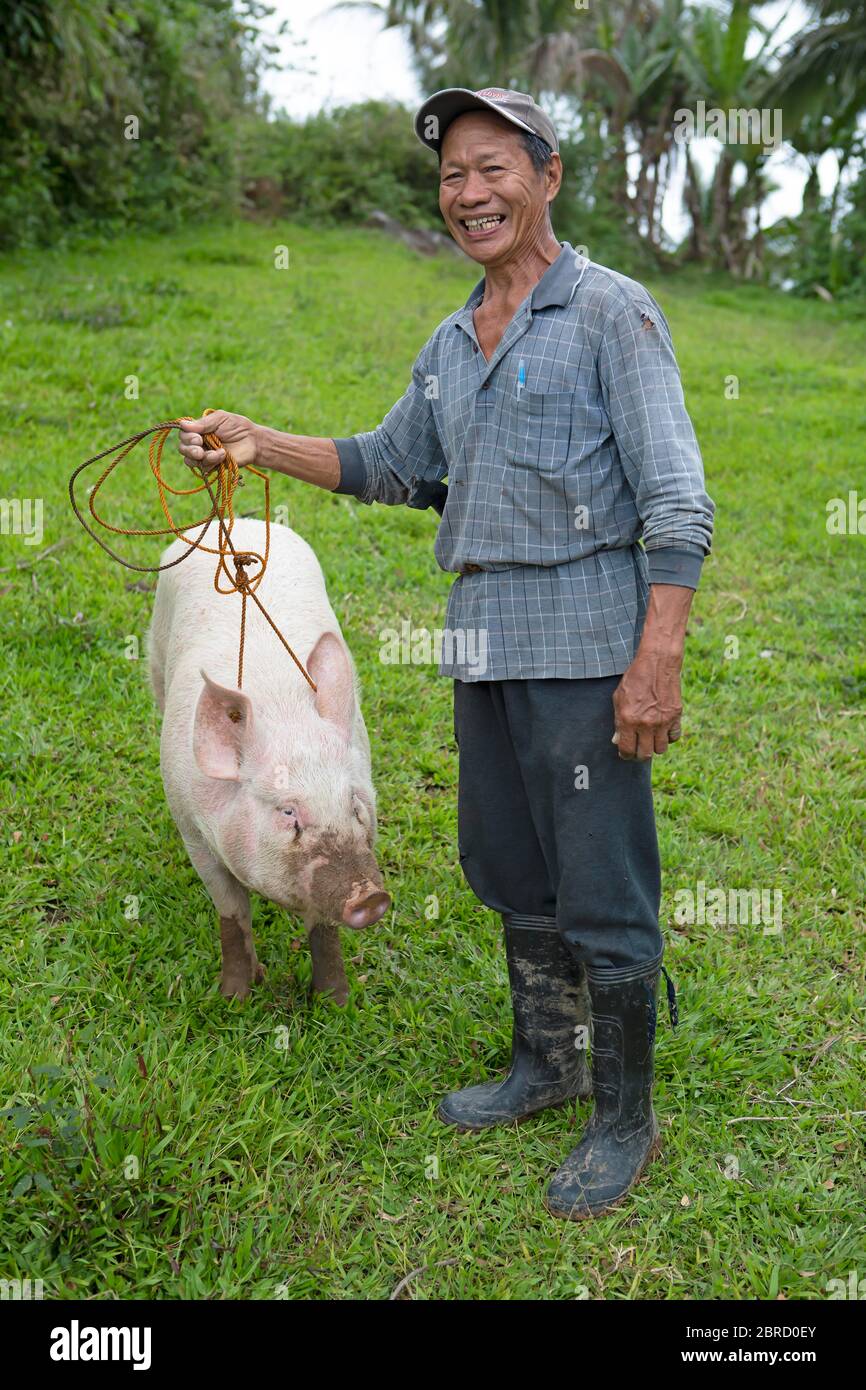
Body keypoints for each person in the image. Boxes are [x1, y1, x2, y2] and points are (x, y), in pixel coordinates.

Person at [178, 86, 714, 1220]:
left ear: (547, 176)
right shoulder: (448, 341)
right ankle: (544, 1063)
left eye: (492, 169)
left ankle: (623, 1117)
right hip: (482, 647)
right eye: (450, 176)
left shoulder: (612, 314)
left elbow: (675, 499)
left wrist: (654, 652)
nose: (468, 194)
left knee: (600, 880)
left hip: (584, 643)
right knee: (509, 867)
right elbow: (387, 462)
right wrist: (253, 440)